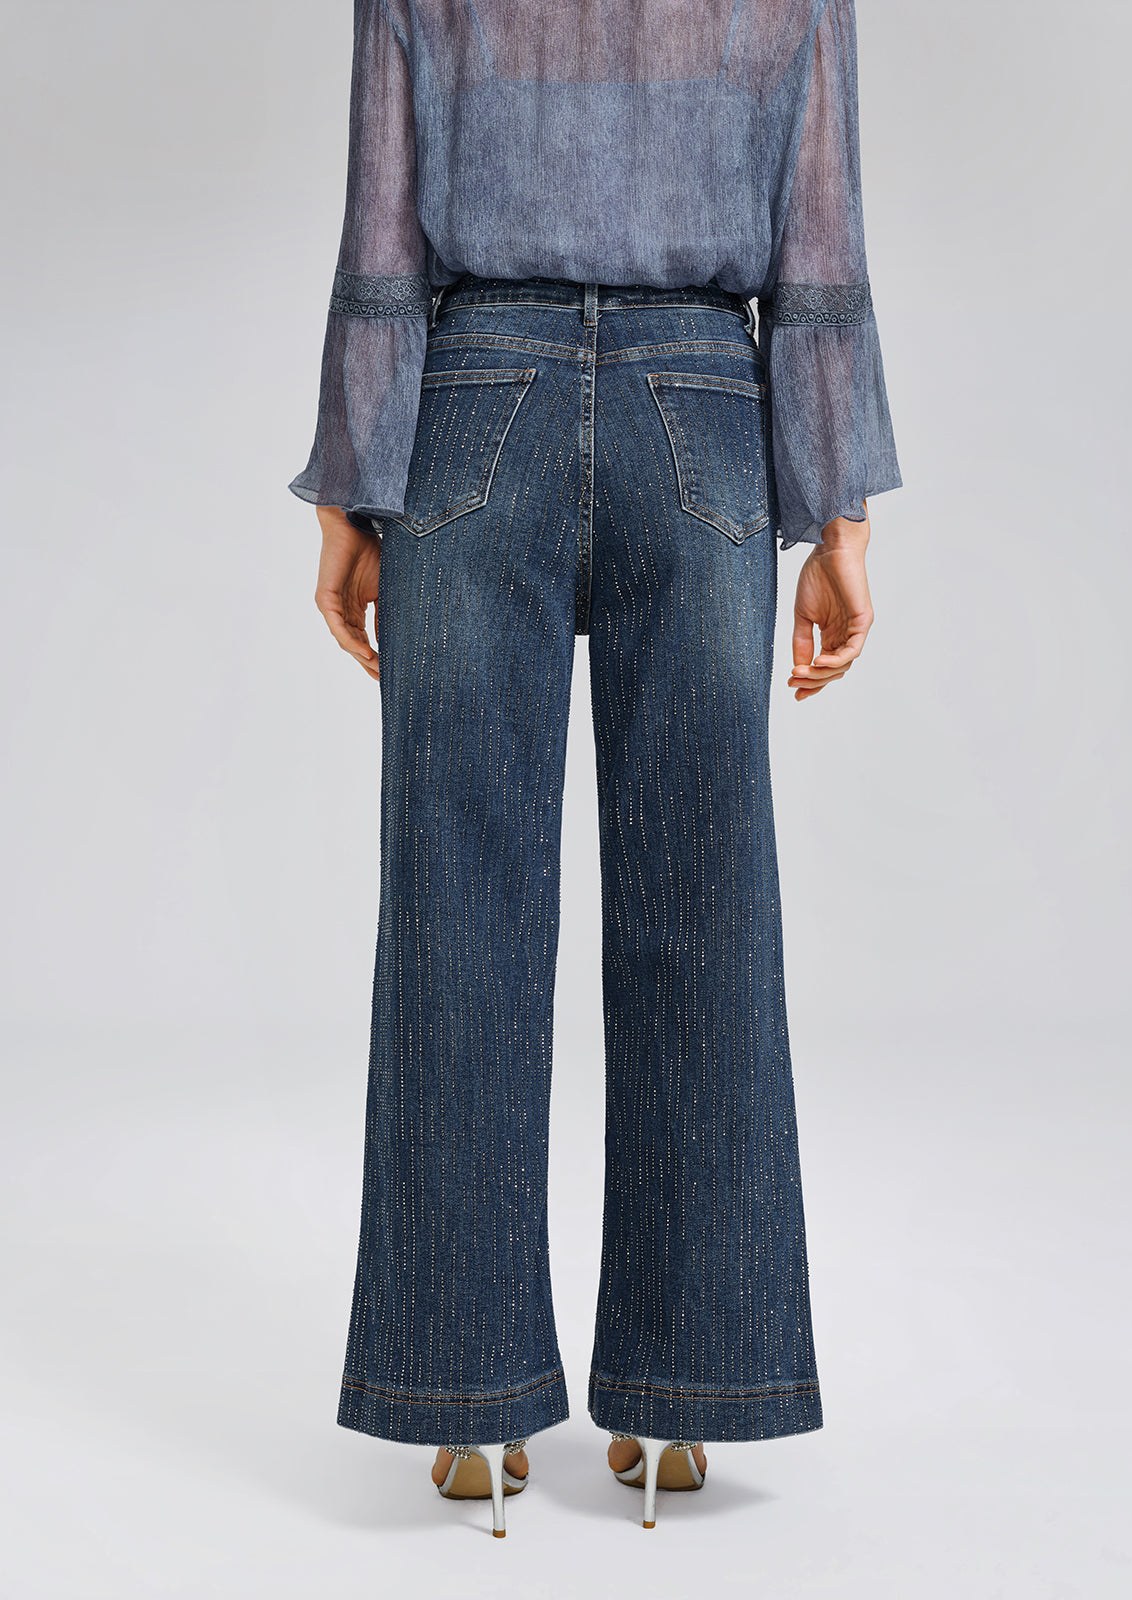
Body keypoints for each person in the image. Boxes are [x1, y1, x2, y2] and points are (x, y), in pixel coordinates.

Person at [289, 0, 900, 1538]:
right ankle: (686, 1398)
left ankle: (466, 1407)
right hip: (702, 407)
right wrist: (840, 514)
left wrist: (352, 481)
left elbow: (382, 224)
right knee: (705, 908)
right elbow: (818, 232)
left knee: (456, 904)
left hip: (468, 402)